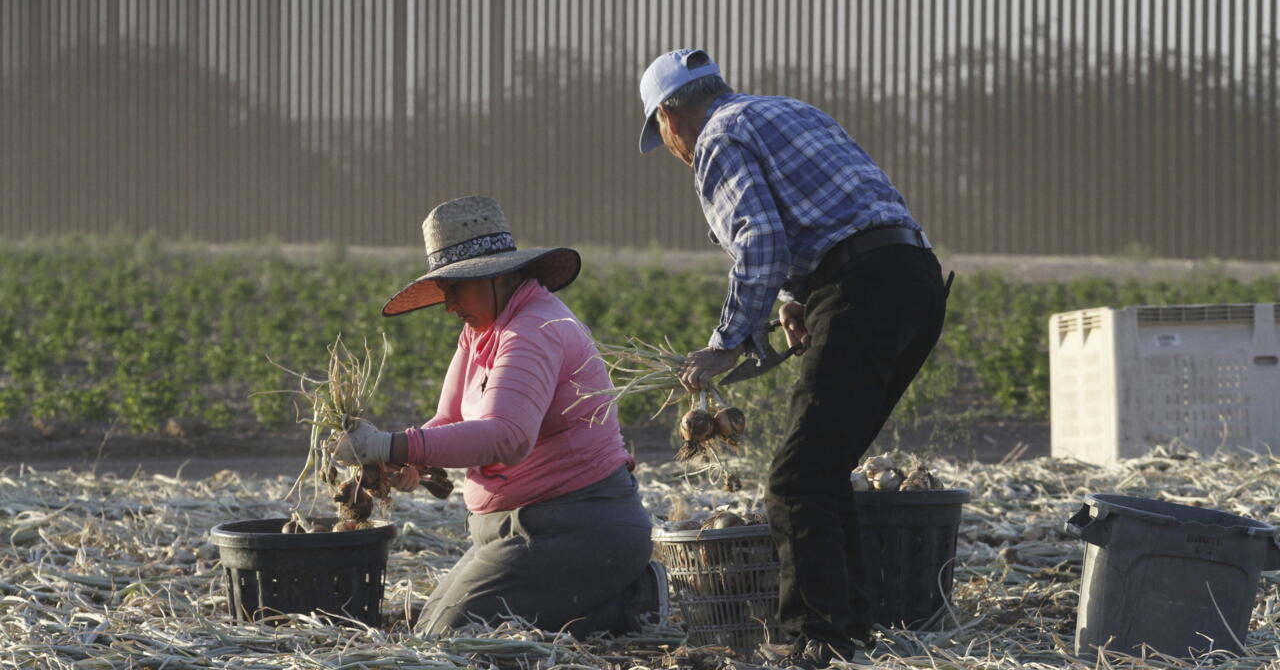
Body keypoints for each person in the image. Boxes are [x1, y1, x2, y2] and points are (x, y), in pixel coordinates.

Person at [638, 49, 951, 666]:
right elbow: (830, 210)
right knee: (823, 469)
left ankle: (819, 641)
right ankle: (851, 631)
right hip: (913, 277)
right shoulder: (785, 110)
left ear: (671, 115)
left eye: (663, 132)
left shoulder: (717, 139)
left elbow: (759, 239)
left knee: (795, 479)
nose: (671, 146)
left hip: (862, 289)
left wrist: (727, 344)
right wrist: (796, 296)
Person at [334, 195, 665, 637]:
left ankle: (630, 602)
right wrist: (405, 462)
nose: (448, 302)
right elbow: (448, 419)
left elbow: (508, 437)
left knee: (452, 633)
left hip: (574, 526)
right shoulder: (480, 331)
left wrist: (392, 443)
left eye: (455, 286)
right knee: (427, 624)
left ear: (499, 275)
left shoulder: (534, 329)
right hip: (512, 529)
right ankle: (601, 596)